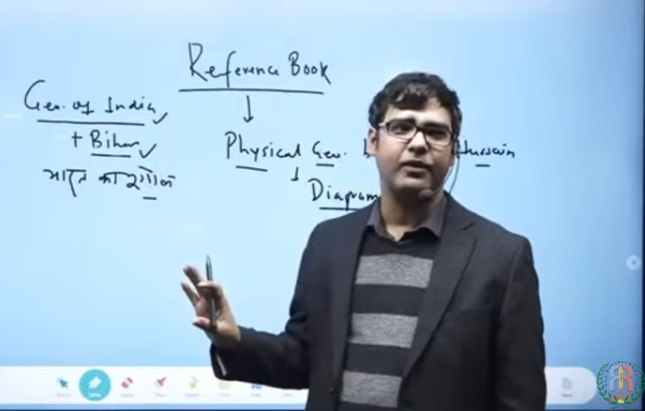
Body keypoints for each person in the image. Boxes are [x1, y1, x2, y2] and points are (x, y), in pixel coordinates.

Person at [181, 72, 546, 411]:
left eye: (435, 133)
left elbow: (521, 399)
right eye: (402, 127)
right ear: (373, 141)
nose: (418, 143)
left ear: (453, 152)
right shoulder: (329, 242)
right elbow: (304, 359)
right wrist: (233, 339)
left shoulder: (502, 257)